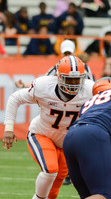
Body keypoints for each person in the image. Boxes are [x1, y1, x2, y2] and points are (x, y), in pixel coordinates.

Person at [3, 56, 94, 199]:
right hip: (42, 134)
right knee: (50, 170)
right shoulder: (44, 86)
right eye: (68, 79)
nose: (73, 84)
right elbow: (15, 98)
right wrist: (9, 128)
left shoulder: (90, 89)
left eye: (77, 79)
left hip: (68, 142)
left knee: (57, 181)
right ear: (58, 77)